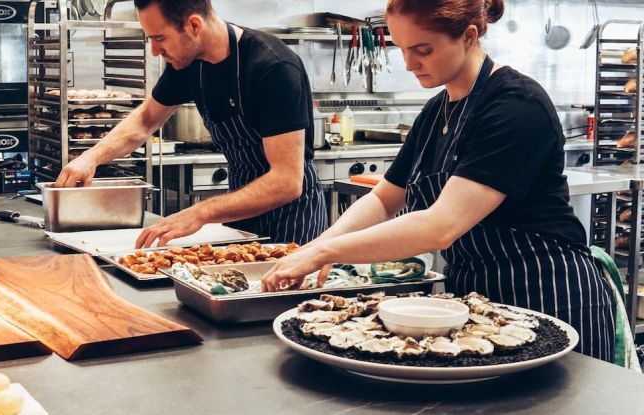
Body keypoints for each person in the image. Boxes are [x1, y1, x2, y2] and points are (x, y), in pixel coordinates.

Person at [261, 0, 616, 362]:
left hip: (546, 290)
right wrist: (314, 248)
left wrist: (327, 252)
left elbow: (441, 226)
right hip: (476, 300)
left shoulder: (515, 105)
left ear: (469, 35)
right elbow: (385, 199)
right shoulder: (436, 111)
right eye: (402, 49)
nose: (409, 63)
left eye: (422, 50)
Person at [55, 0, 327, 247]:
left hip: (292, 224)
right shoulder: (188, 65)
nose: (154, 51)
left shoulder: (272, 68)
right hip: (240, 215)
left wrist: (200, 212)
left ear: (194, 25)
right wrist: (90, 158)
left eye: (160, 38)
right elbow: (145, 119)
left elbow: (287, 182)